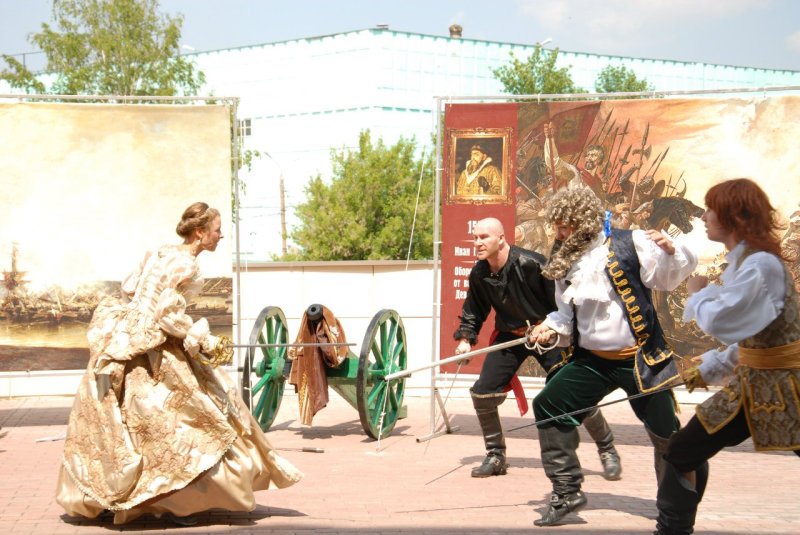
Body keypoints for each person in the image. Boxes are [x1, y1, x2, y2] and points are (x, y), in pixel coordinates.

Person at [55, 202, 302, 525]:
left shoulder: (162, 253)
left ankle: (112, 495)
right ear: (200, 233)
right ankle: (175, 501)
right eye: (217, 230)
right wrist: (203, 340)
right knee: (181, 421)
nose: (221, 236)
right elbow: (167, 314)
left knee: (124, 419)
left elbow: (131, 291)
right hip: (152, 345)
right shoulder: (187, 265)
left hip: (124, 335)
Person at [528, 186, 697, 527]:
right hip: (592, 362)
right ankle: (567, 492)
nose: (559, 234)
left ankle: (675, 516)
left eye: (565, 227)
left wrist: (672, 250)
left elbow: (666, 279)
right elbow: (564, 314)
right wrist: (548, 328)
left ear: (584, 222)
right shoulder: (564, 259)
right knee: (549, 404)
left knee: (667, 437)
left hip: (641, 361)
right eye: (557, 227)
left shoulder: (630, 243)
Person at [654, 179, 800, 535]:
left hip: (789, 386)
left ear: (733, 217)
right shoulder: (746, 263)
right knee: (683, 450)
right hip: (754, 386)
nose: (704, 217)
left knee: (683, 449)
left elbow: (725, 323)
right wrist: (705, 371)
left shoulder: (761, 265)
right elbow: (751, 337)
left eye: (711, 210)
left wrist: (698, 293)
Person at [454, 217, 622, 480]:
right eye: (475, 238)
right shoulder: (479, 273)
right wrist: (466, 339)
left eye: (484, 237)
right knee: (483, 393)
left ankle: (607, 449)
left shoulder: (530, 263)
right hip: (511, 336)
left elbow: (563, 300)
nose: (477, 243)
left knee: (572, 391)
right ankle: (496, 456)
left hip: (547, 335)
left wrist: (550, 327)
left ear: (501, 238)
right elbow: (474, 310)